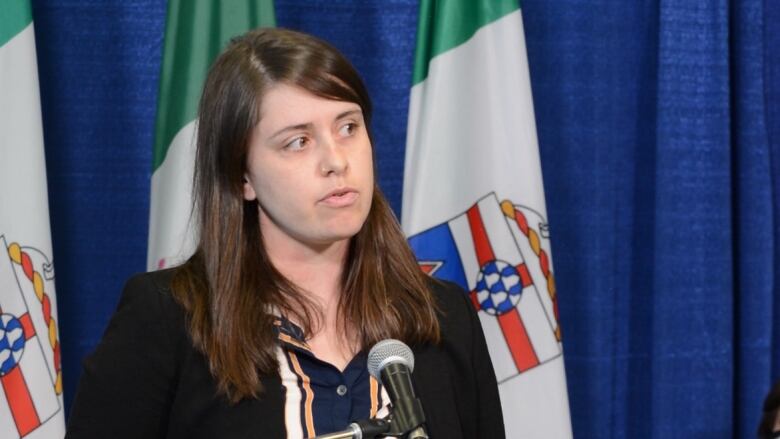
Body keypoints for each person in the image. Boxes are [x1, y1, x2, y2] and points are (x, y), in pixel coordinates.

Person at [65, 28, 504, 439]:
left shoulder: (444, 318)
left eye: (348, 127)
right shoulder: (167, 322)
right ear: (243, 178)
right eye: (299, 141)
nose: (336, 160)